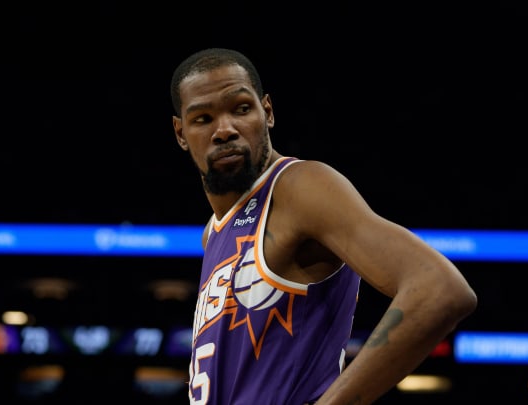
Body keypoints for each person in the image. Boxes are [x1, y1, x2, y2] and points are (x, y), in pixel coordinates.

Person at [169, 47, 477, 405]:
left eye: (241, 109)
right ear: (180, 133)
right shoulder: (214, 233)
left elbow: (440, 290)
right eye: (203, 119)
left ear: (267, 112)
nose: (225, 130)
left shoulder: (298, 188)